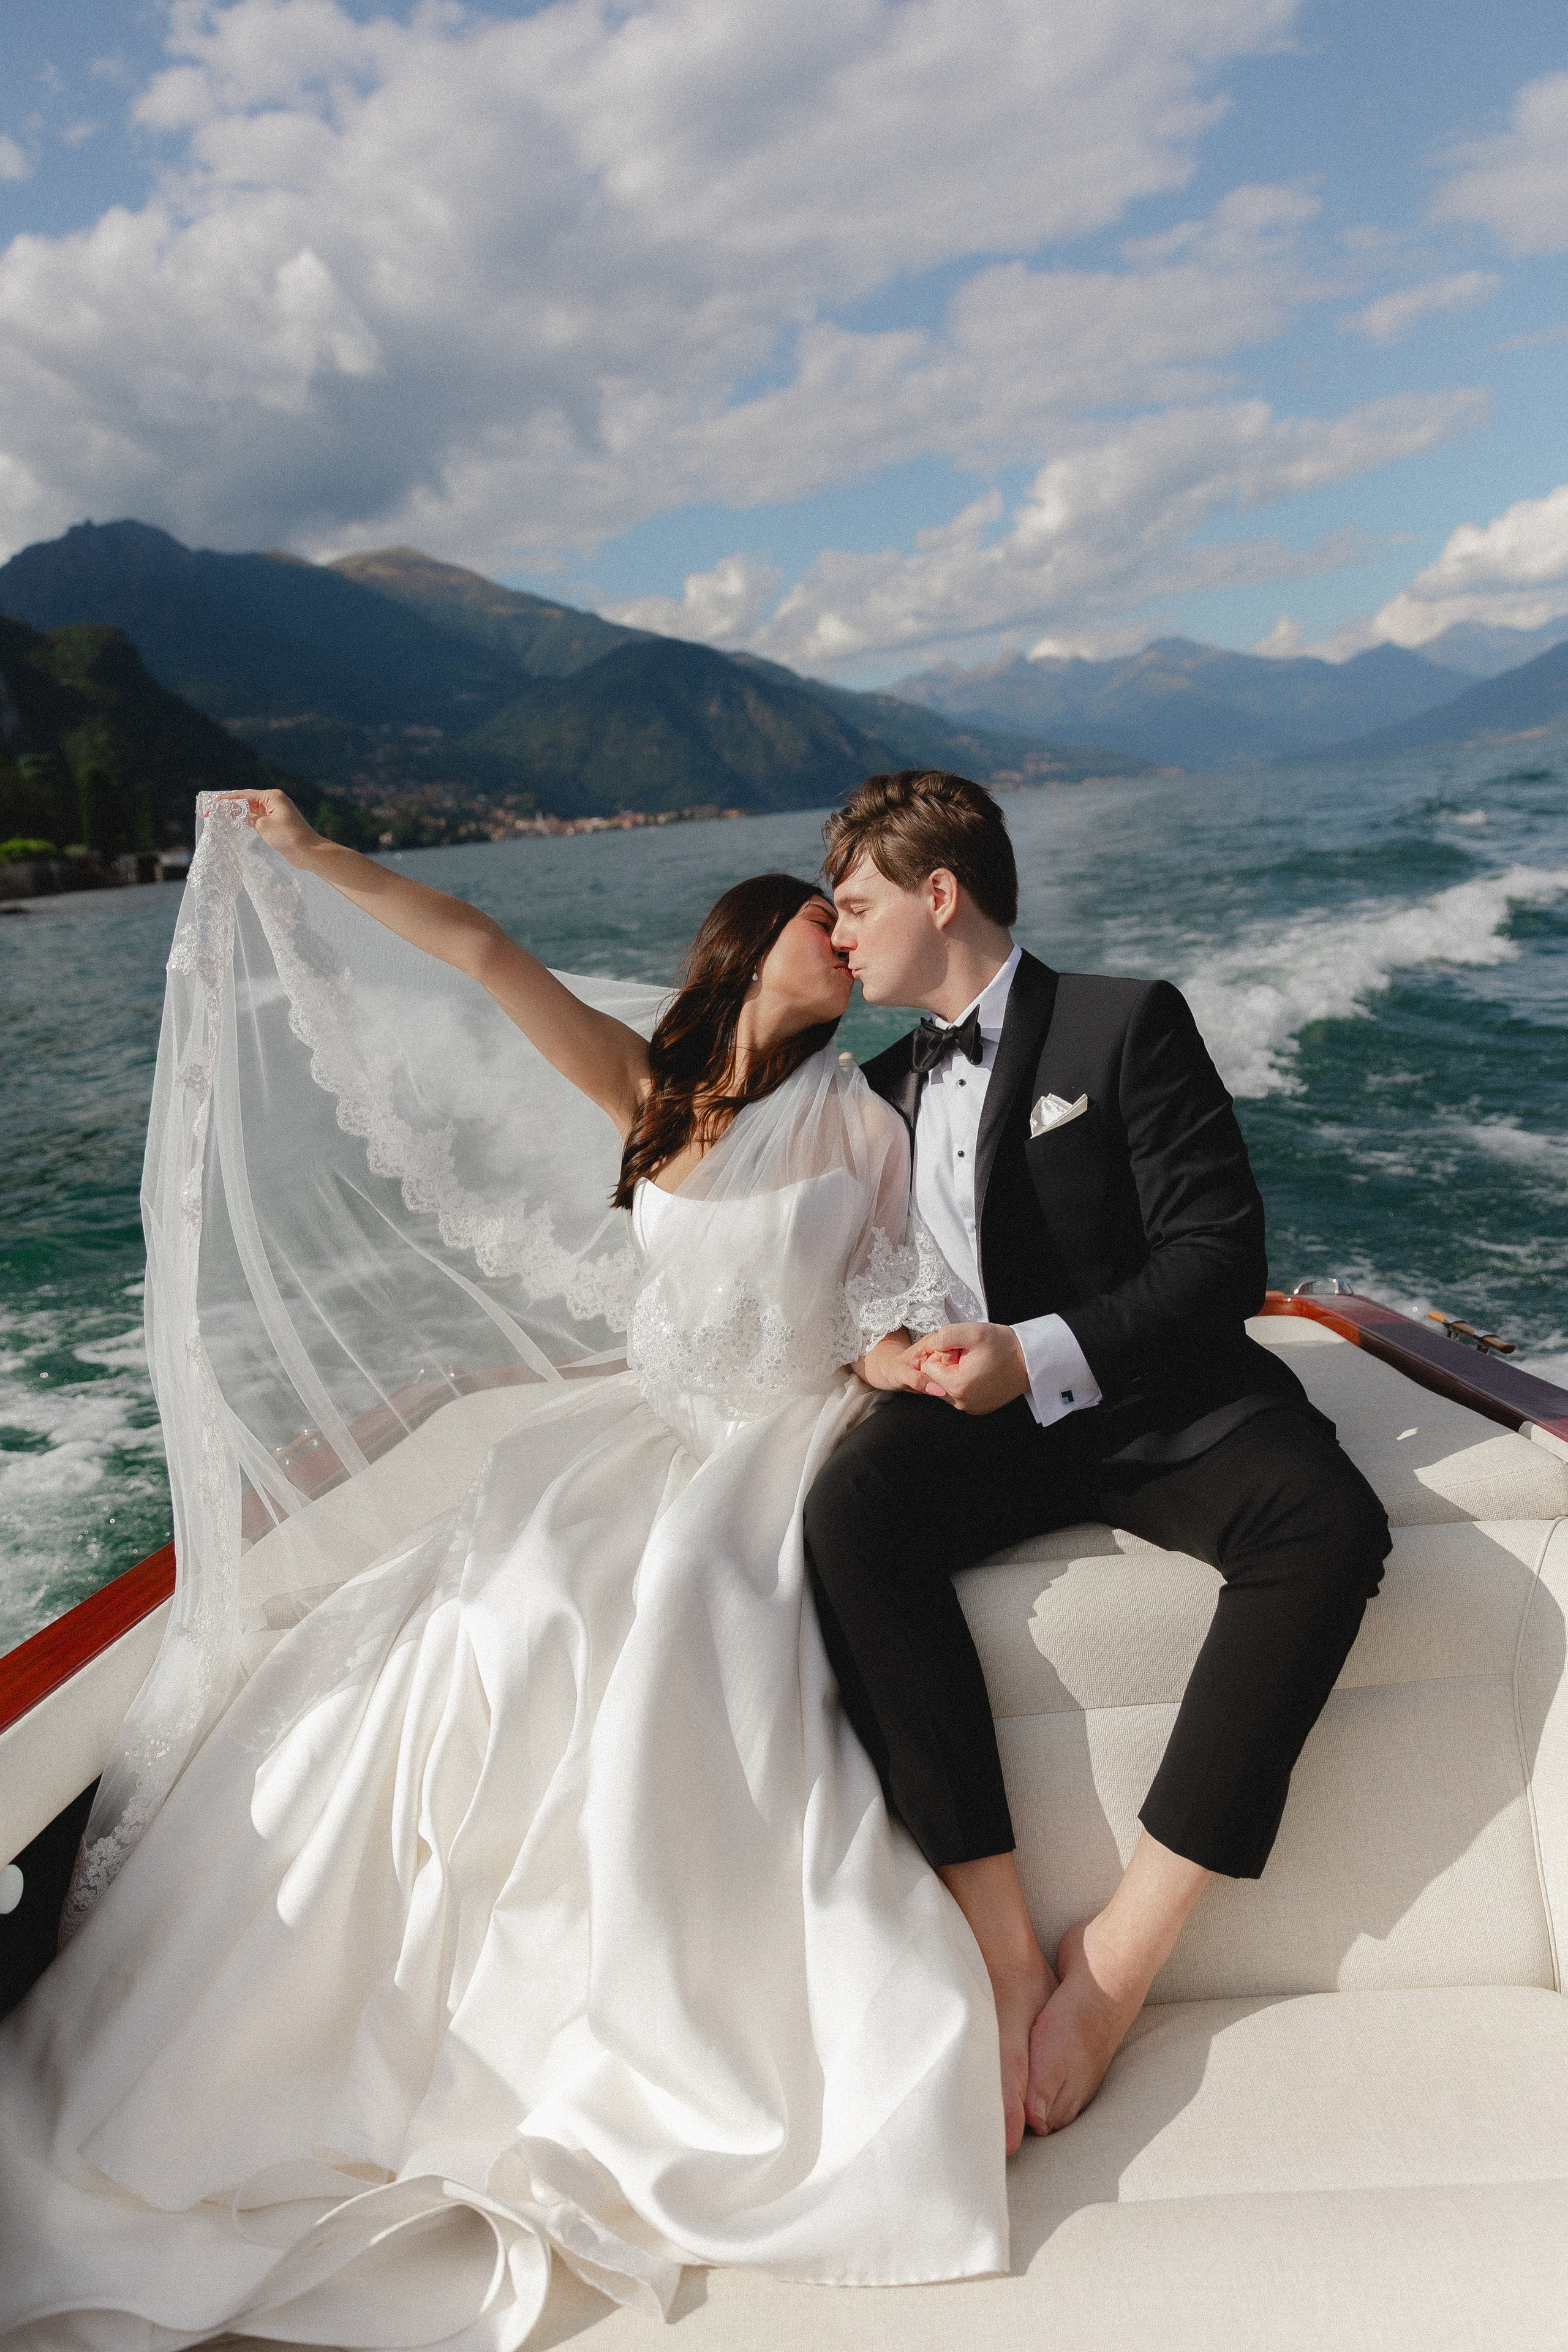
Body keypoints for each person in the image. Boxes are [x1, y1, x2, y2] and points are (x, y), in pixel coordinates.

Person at [0, 790, 1009, 2350]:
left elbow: (885, 1305)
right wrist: (312, 854)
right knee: (490, 1607)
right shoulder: (649, 1092)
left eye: (854, 905)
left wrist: (928, 1365)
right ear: (754, 945)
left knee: (674, 1614)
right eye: (820, 909)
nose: (845, 923)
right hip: (646, 1434)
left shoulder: (868, 1124)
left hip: (774, 1444)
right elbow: (479, 950)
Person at [805, 767, 1392, 2147]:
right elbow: (856, 1291)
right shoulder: (877, 1089)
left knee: (1325, 1528)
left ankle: (1119, 1962)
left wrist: (1040, 1347)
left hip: (1156, 1397)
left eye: (853, 905)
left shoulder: (1127, 1023)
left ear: (936, 894)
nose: (836, 938)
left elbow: (1218, 1260)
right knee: (848, 1514)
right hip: (981, 1426)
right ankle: (1004, 1947)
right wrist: (891, 1354)